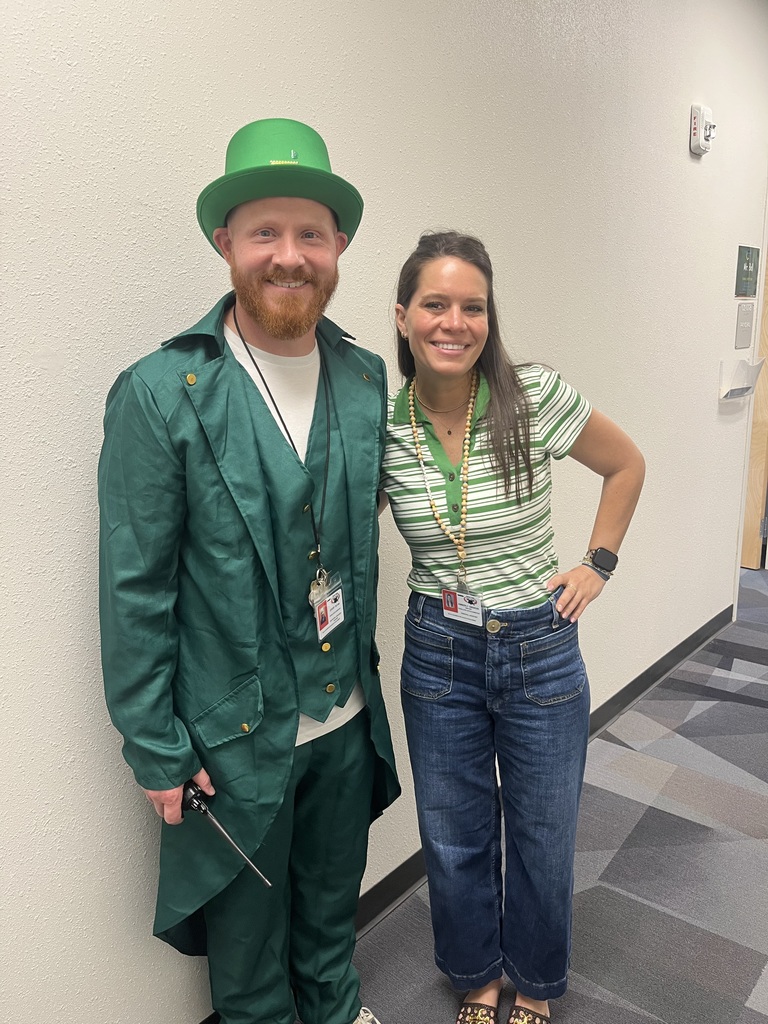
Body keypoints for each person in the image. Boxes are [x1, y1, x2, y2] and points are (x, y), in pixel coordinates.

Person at [98, 118, 399, 1024]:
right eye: (264, 233)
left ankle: (339, 1012)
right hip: (234, 737)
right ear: (225, 242)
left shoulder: (365, 376)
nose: (289, 256)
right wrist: (154, 746)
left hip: (345, 713)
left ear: (340, 246)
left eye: (311, 234)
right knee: (248, 955)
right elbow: (134, 587)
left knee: (329, 917)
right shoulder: (161, 391)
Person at [380, 232, 645, 1024]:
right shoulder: (381, 424)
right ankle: (475, 972)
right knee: (452, 833)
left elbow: (626, 463)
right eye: (435, 304)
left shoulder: (531, 395)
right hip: (438, 650)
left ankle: (533, 980)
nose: (453, 322)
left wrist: (597, 563)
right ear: (403, 317)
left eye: (473, 306)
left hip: (537, 644)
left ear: (489, 319)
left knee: (541, 830)